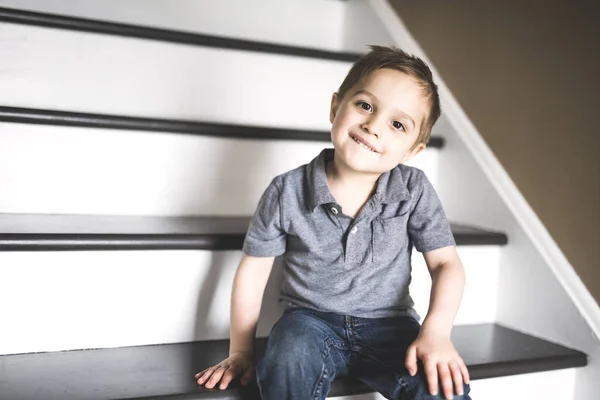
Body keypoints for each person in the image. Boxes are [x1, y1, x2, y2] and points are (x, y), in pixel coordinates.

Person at [195, 45, 472, 400]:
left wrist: (437, 331)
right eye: (366, 106)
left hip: (390, 326)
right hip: (309, 322)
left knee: (443, 385)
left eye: (397, 124)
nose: (373, 126)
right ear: (335, 107)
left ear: (412, 151)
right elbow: (253, 270)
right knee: (287, 357)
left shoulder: (412, 188)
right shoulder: (287, 190)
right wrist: (242, 351)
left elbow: (447, 263)